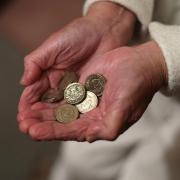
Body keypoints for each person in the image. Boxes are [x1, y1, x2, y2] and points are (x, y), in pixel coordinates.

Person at [17, 0, 180, 180]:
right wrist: (111, 14)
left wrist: (161, 61)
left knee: (149, 170)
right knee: (82, 160)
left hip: (152, 62)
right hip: (135, 55)